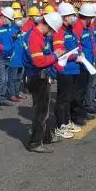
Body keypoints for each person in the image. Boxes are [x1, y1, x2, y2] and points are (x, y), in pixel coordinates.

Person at [23, 11, 65, 152]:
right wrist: (55, 55)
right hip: (37, 77)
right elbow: (39, 61)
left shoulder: (38, 35)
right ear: (48, 26)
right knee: (41, 112)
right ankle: (35, 143)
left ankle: (46, 136)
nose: (52, 34)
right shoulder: (35, 38)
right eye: (52, 31)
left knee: (45, 110)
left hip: (40, 75)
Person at [53, 2, 85, 135]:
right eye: (71, 15)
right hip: (65, 70)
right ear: (65, 17)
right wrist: (74, 57)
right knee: (63, 99)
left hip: (74, 69)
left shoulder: (71, 31)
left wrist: (80, 52)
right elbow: (59, 51)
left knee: (70, 98)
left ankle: (67, 121)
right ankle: (61, 125)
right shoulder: (59, 32)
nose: (74, 17)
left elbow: (77, 45)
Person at [74, 3, 96, 115]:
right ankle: (83, 108)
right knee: (80, 89)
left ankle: (85, 106)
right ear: (87, 17)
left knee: (86, 85)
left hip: (89, 60)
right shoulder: (78, 27)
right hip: (82, 62)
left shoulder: (88, 27)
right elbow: (77, 44)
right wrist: (81, 54)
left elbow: (91, 42)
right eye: (92, 17)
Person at [8, 10, 27, 102]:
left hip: (21, 59)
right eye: (17, 19)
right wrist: (13, 37)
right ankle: (11, 94)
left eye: (20, 19)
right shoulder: (11, 31)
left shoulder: (21, 31)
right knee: (12, 78)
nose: (20, 20)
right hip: (14, 59)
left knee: (19, 78)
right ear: (13, 20)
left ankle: (17, 92)